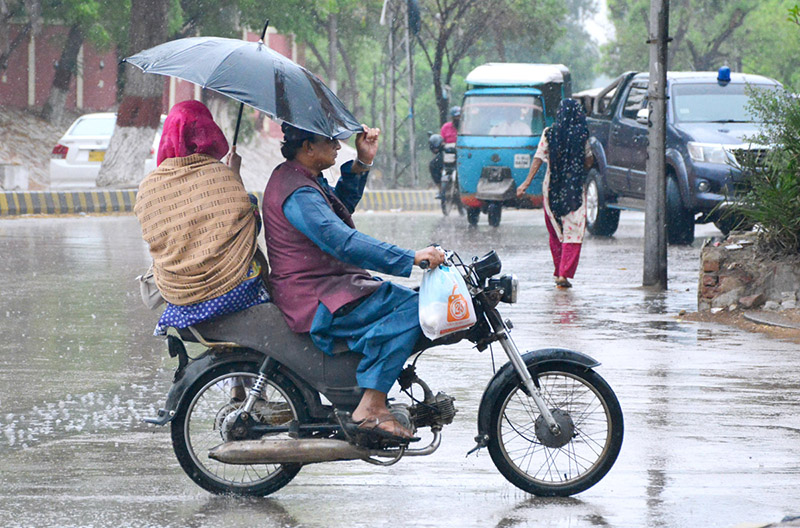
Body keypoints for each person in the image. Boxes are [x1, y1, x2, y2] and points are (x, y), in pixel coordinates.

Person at [262, 122, 444, 446]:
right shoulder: (298, 192)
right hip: (315, 297)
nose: (337, 146)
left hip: (330, 286)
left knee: (403, 301)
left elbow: (337, 212)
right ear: (307, 147)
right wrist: (411, 257)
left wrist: (362, 164)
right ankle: (371, 406)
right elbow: (342, 241)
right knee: (414, 309)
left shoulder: (303, 178)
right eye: (331, 140)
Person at [134, 100, 269, 349]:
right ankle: (239, 383)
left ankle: (233, 380)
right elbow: (250, 229)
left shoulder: (148, 187)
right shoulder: (222, 176)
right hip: (234, 293)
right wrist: (234, 177)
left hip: (180, 302)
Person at [516, 99, 594, 289]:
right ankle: (563, 274)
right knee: (573, 232)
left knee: (556, 231)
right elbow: (588, 161)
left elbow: (538, 158)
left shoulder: (549, 133)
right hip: (573, 189)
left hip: (552, 189)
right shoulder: (582, 134)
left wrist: (526, 182)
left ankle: (559, 270)